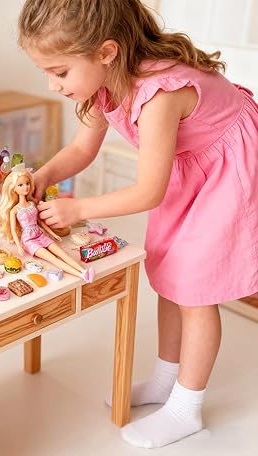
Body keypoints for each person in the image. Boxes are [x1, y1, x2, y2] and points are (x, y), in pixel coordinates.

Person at [17, 0, 258, 449]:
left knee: (197, 291)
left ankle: (187, 408)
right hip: (190, 165)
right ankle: (168, 379)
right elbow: (82, 150)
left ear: (106, 52)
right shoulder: (103, 82)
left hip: (226, 169)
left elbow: (148, 192)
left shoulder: (159, 95)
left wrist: (78, 208)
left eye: (60, 72)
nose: (52, 85)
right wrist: (44, 176)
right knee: (169, 273)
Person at [0, 169, 94, 282]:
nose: (25, 187)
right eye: (20, 185)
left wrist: (52, 234)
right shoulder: (14, 210)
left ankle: (83, 270)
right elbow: (13, 229)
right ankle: (81, 275)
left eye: (27, 183)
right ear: (14, 189)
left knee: (62, 253)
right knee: (53, 258)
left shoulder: (32, 203)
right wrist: (18, 246)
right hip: (28, 240)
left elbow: (40, 222)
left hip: (40, 234)